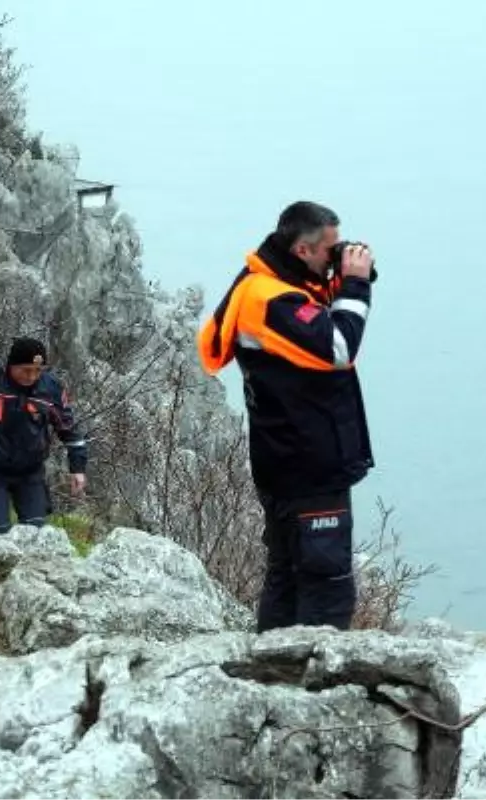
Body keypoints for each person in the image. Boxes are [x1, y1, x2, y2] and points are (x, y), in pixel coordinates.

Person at [197, 200, 377, 633]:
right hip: (308, 466)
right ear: (301, 250)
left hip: (284, 461)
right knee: (326, 583)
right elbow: (336, 348)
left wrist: (349, 278)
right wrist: (355, 288)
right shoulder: (269, 299)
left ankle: (272, 674)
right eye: (330, 250)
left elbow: (309, 315)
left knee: (289, 575)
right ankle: (310, 688)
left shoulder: (268, 283)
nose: (337, 257)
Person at [0, 336, 89, 532]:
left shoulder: (51, 389)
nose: (31, 376)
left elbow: (68, 429)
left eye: (38, 371)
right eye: (26, 370)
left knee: (36, 533)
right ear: (11, 365)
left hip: (31, 471)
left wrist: (78, 468)